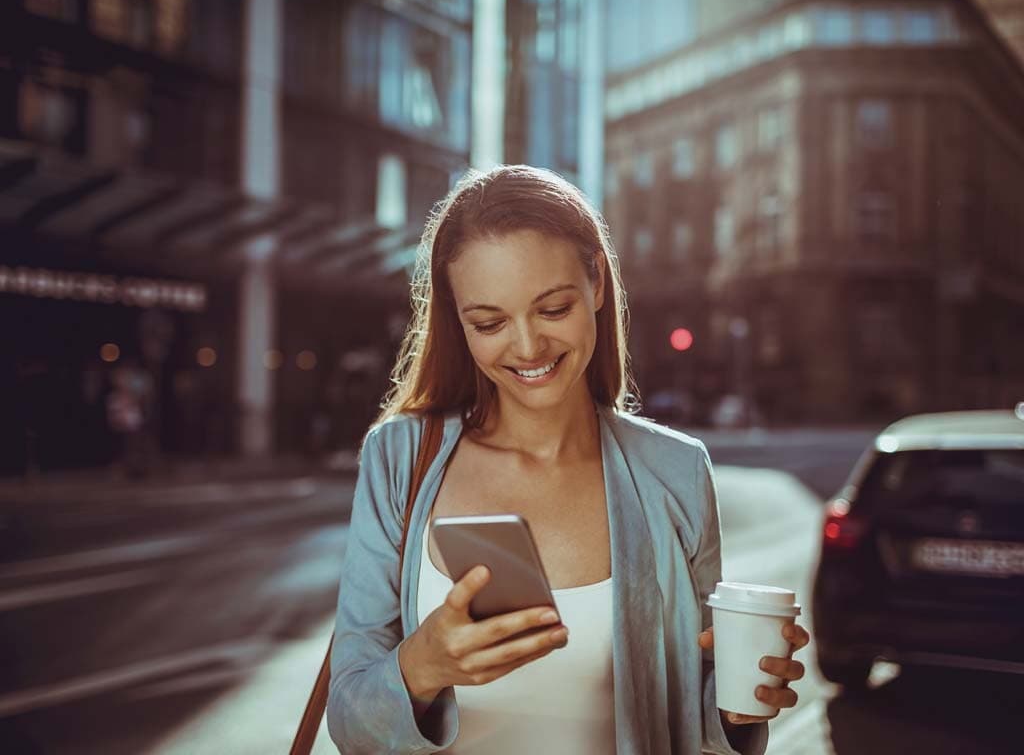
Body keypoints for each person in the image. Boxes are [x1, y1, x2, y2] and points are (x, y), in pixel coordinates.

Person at [326, 165, 810, 754]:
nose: (528, 347)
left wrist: (737, 710)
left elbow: (693, 719)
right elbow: (351, 725)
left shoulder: (676, 471)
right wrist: (421, 667)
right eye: (489, 322)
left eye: (553, 309)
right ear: (457, 321)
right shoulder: (400, 457)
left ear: (597, 284)